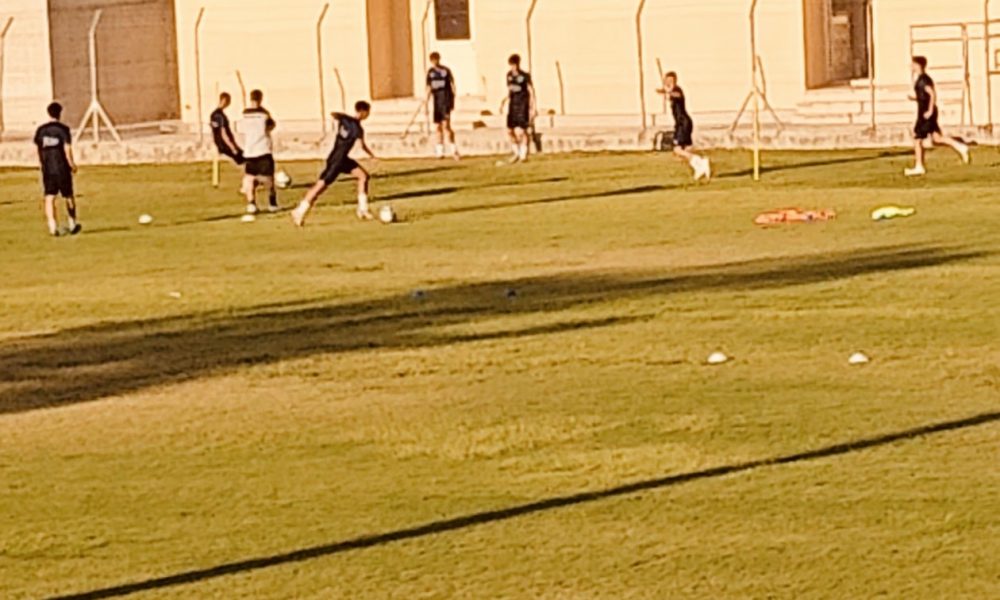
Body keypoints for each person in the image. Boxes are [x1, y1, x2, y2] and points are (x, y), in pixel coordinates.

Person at [291, 101, 377, 227]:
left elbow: (334, 114)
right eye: (367, 113)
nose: (368, 115)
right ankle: (299, 211)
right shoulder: (357, 129)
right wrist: (371, 155)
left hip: (341, 158)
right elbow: (361, 145)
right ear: (363, 112)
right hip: (337, 161)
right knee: (320, 186)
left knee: (363, 176)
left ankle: (362, 209)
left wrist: (342, 118)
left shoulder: (345, 120)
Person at [905, 56, 970, 177]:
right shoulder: (921, 79)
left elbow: (932, 94)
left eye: (913, 64)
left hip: (926, 113)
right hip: (925, 111)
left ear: (918, 65)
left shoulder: (924, 79)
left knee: (917, 139)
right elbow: (924, 96)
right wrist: (915, 98)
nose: (911, 66)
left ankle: (919, 166)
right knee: (937, 138)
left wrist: (930, 110)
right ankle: (961, 147)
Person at [33, 102, 80, 237]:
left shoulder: (41, 130)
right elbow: (67, 148)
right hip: (62, 168)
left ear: (48, 113)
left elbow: (38, 149)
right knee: (68, 195)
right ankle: (72, 223)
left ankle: (52, 226)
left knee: (49, 197)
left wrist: (42, 163)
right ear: (60, 113)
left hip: (48, 169)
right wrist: (72, 164)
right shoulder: (63, 129)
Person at [657, 71, 711, 181]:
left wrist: (668, 92)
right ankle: (699, 168)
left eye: (670, 81)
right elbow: (665, 92)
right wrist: (663, 91)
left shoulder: (677, 90)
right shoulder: (671, 91)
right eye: (666, 81)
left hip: (683, 123)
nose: (668, 83)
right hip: (681, 123)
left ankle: (701, 162)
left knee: (677, 150)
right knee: (686, 150)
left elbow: (677, 95)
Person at [241, 89, 280, 213]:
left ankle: (251, 203)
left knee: (250, 178)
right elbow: (271, 126)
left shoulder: (244, 114)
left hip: (249, 151)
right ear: (261, 99)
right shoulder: (264, 114)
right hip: (263, 149)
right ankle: (272, 203)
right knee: (269, 178)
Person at [426, 52, 460, 160]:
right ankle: (440, 151)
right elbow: (429, 87)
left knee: (446, 126)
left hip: (445, 101)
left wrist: (452, 100)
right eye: (432, 60)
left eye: (436, 59)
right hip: (436, 103)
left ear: (439, 59)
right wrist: (426, 100)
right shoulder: (430, 72)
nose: (434, 62)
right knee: (438, 127)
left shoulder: (445, 71)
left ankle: (454, 150)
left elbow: (452, 85)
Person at [505, 54, 536, 163]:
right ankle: (516, 153)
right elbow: (509, 90)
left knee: (522, 130)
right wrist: (503, 101)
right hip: (512, 105)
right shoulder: (509, 75)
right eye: (511, 65)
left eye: (515, 64)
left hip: (523, 105)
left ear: (518, 64)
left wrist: (533, 107)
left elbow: (531, 90)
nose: (513, 67)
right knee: (509, 130)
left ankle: (523, 155)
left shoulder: (524, 76)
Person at [210, 92, 244, 165]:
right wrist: (233, 147)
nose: (229, 103)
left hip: (220, 144)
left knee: (243, 157)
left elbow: (214, 131)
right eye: (228, 101)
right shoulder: (221, 116)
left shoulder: (213, 114)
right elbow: (224, 133)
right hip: (225, 145)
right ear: (224, 100)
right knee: (244, 158)